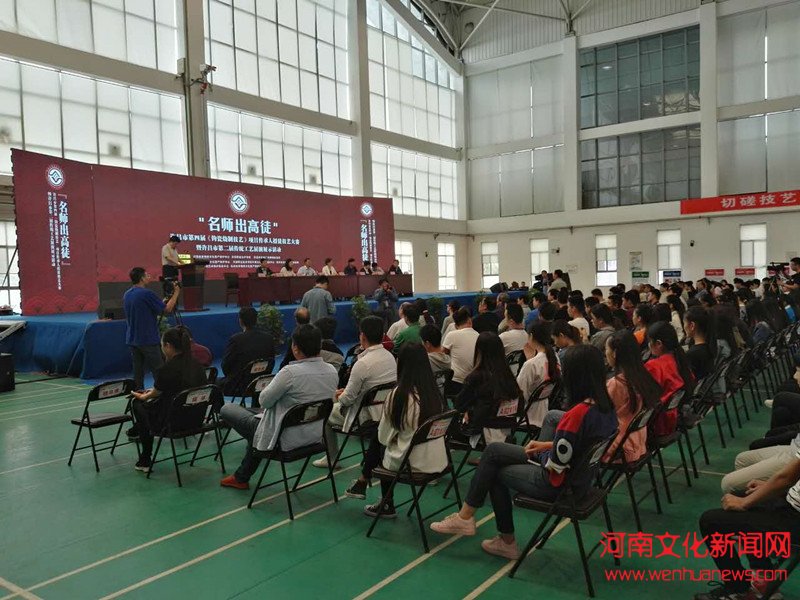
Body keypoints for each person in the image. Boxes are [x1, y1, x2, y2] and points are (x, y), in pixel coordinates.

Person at [429, 344, 617, 559]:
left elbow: (556, 466)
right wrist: (547, 445)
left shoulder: (577, 414)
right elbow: (579, 448)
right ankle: (467, 519)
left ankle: (500, 538)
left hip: (558, 483)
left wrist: (537, 455)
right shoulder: (606, 406)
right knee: (494, 451)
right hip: (582, 479)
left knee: (493, 471)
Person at [219, 324, 339, 489]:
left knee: (227, 409)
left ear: (295, 348)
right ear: (320, 346)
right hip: (314, 435)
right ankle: (241, 476)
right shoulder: (332, 370)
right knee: (254, 418)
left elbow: (264, 401)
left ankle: (242, 476)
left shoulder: (289, 373)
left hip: (283, 438)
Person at [345, 343, 446, 516]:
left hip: (412, 463)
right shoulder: (434, 391)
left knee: (380, 440)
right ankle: (363, 481)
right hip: (438, 459)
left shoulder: (401, 394)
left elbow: (383, 437)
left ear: (401, 363)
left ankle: (384, 501)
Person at [694, 455, 800, 600]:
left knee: (710, 522)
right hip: (792, 503)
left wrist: (744, 503)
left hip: (795, 516)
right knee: (742, 496)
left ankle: (738, 589)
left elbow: (786, 478)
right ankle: (763, 580)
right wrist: (770, 487)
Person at [315, 316, 397, 469]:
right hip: (386, 411)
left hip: (364, 416)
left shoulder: (362, 363)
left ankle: (331, 457)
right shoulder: (390, 357)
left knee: (325, 411)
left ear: (362, 336)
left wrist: (339, 395)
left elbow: (347, 400)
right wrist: (345, 393)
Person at [129, 327, 207, 472]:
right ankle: (136, 436)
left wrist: (143, 396)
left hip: (173, 422)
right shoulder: (197, 365)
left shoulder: (167, 368)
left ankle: (145, 458)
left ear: (168, 346)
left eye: (162, 345)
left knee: (137, 404)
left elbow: (155, 393)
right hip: (197, 419)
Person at [603, 330, 661, 463]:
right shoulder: (642, 376)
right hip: (639, 443)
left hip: (619, 449)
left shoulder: (616, 384)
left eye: (606, 349)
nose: (605, 353)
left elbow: (599, 414)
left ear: (614, 353)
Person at [454, 332, 522, 444]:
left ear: (479, 351)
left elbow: (459, 404)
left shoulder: (476, 376)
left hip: (483, 426)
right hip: (508, 424)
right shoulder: (508, 374)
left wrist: (468, 410)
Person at [124, 267, 180, 390]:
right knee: (158, 370)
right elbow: (167, 309)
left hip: (132, 339)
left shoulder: (127, 294)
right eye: (147, 275)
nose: (149, 277)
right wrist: (176, 293)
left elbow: (145, 308)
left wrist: (162, 302)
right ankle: (163, 394)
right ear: (142, 278)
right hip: (147, 338)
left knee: (138, 372)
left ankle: (138, 393)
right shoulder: (147, 294)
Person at [645, 321, 694, 437]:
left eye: (649, 341)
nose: (648, 345)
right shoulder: (679, 359)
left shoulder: (653, 366)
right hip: (674, 417)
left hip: (658, 423)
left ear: (658, 343)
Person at [219, 306, 276, 395]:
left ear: (240, 321)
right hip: (261, 382)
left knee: (213, 384)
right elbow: (271, 361)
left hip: (239, 385)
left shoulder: (236, 340)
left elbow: (225, 365)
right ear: (256, 320)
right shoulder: (268, 338)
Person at [516, 321, 559, 429]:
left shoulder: (531, 364)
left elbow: (520, 393)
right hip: (543, 411)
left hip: (527, 417)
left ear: (531, 336)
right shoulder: (555, 357)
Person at [442, 307, 480, 397]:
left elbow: (443, 354)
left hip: (456, 382)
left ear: (455, 326)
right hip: (475, 382)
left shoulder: (452, 335)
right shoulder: (479, 335)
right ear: (470, 321)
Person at [683, 306, 716, 381]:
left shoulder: (692, 354)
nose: (683, 327)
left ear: (692, 325)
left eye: (684, 323)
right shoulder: (711, 346)